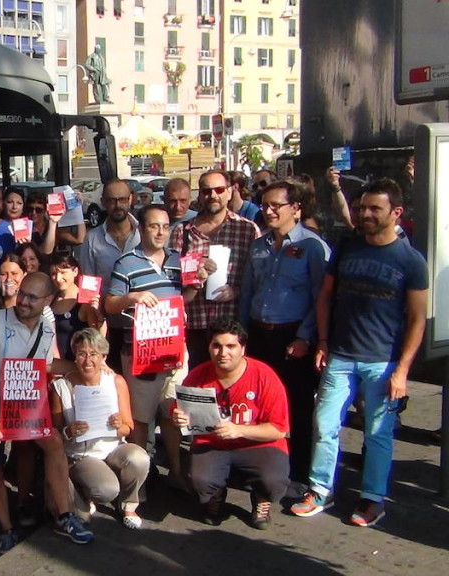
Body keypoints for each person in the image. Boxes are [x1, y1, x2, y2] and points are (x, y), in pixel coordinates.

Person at [292, 179, 428, 528]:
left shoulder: (410, 260)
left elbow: (416, 319)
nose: (364, 214)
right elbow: (325, 296)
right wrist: (322, 341)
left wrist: (402, 371)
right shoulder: (348, 246)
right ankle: (320, 489)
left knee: (377, 433)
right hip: (340, 354)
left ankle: (373, 498)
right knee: (324, 424)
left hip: (382, 362)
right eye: (361, 207)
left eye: (374, 209)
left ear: (396, 213)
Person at [0, 273, 93, 554]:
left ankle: (65, 515)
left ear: (48, 300)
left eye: (32, 297)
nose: (23, 300)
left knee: (54, 444)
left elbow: (47, 365)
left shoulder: (47, 328)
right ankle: (5, 529)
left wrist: (82, 367)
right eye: (22, 293)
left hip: (25, 402)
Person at [238, 180, 330, 489]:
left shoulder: (312, 247)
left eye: (276, 205)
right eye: (265, 205)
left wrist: (306, 337)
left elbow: (321, 297)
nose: (269, 210)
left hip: (292, 335)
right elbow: (248, 290)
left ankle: (300, 472)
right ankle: (259, 467)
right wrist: (242, 333)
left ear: (296, 208)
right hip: (258, 333)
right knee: (258, 404)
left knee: (298, 406)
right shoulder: (259, 245)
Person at [105, 204, 201, 491]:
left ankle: (175, 470)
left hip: (174, 351)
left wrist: (197, 282)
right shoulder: (126, 263)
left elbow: (184, 300)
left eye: (165, 226)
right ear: (141, 229)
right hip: (141, 353)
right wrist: (132, 297)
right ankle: (140, 481)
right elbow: (109, 304)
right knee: (141, 419)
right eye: (153, 226)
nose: (160, 232)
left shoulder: (177, 261)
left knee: (172, 413)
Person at [172, 318, 291, 530]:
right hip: (213, 443)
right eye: (216, 345)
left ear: (243, 348)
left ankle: (261, 497)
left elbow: (279, 429)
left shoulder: (264, 376)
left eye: (231, 346)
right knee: (199, 480)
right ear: (209, 347)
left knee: (273, 481)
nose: (223, 352)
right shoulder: (198, 376)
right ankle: (216, 495)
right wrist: (178, 417)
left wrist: (239, 430)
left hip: (257, 444)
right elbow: (180, 409)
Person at [49, 328, 150, 529]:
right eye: (81, 353)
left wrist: (118, 425)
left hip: (113, 448)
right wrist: (70, 431)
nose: (88, 360)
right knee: (106, 490)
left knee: (139, 458)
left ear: (103, 357)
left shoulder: (116, 382)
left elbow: (128, 427)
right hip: (82, 454)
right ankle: (82, 489)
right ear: (75, 357)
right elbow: (55, 433)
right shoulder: (61, 386)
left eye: (94, 354)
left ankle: (129, 505)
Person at [168, 169, 260, 370]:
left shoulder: (248, 229)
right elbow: (171, 281)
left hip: (232, 326)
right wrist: (194, 275)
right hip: (194, 325)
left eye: (219, 189)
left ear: (229, 191)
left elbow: (258, 279)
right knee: (197, 390)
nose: (213, 196)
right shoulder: (181, 231)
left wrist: (236, 290)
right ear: (199, 195)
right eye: (207, 191)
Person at [79, 179, 141, 372]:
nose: (118, 205)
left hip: (141, 324)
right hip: (107, 324)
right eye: (112, 200)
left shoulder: (144, 233)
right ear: (104, 201)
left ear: (130, 200)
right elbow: (87, 281)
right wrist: (93, 314)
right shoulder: (92, 238)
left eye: (122, 199)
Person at [48, 254, 104, 362]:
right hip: (55, 365)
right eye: (54, 274)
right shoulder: (51, 300)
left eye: (63, 272)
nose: (58, 278)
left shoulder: (85, 302)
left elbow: (97, 335)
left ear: (75, 272)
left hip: (79, 365)